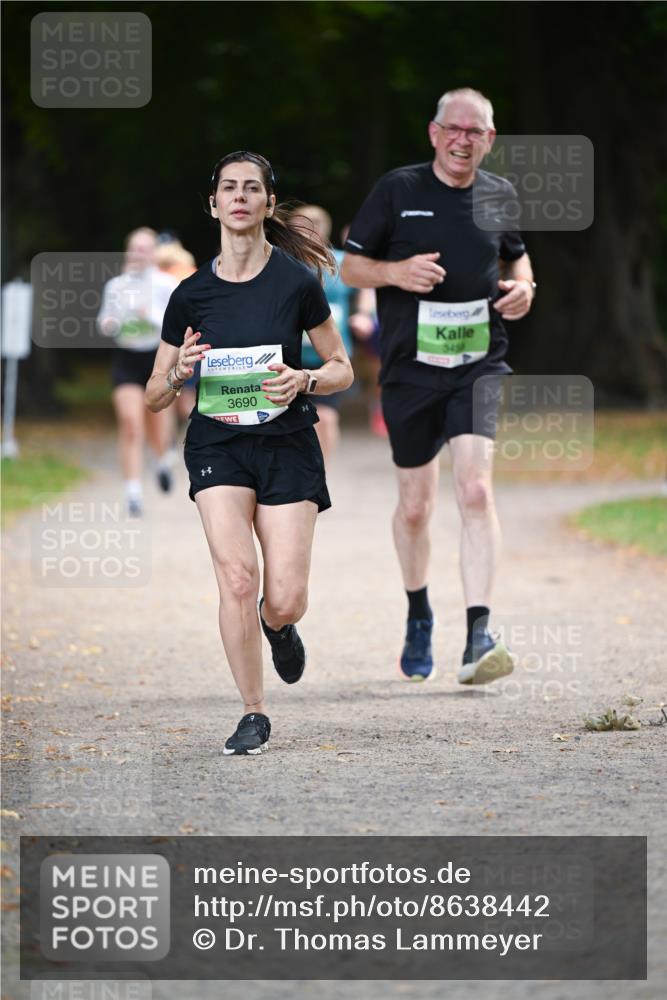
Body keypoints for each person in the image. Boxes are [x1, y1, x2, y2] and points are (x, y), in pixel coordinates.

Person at [145, 151, 353, 755]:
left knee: (285, 595)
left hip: (288, 443)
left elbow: (342, 368)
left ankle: (277, 624)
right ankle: (253, 711)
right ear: (213, 205)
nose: (239, 196)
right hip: (219, 444)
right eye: (228, 188)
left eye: (251, 188)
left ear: (266, 203)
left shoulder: (296, 283)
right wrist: (179, 371)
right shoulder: (190, 294)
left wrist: (305, 380)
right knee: (237, 577)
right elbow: (157, 395)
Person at [341, 87, 535, 685]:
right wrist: (395, 272)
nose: (462, 140)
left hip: (478, 363)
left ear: (489, 139)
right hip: (409, 368)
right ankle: (419, 612)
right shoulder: (397, 190)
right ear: (433, 133)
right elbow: (347, 266)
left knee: (475, 490)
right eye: (453, 129)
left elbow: (517, 259)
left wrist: (525, 287)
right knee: (416, 505)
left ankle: (479, 633)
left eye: (475, 132)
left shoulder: (500, 195)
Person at [97, 227, 179, 516]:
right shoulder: (117, 285)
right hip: (126, 359)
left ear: (154, 252)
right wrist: (109, 323)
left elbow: (177, 326)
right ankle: (133, 492)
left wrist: (151, 316)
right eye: (134, 248)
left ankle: (161, 461)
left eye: (144, 249)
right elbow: (105, 319)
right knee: (131, 423)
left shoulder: (166, 284)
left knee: (157, 424)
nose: (138, 254)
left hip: (156, 359)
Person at [288, 206, 355, 462]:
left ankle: (320, 470)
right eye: (304, 224)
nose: (311, 230)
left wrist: (365, 316)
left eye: (316, 224)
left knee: (326, 417)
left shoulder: (342, 262)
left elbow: (367, 293)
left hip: (332, 354)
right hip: (292, 353)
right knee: (295, 418)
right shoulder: (283, 264)